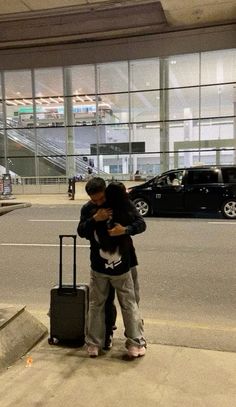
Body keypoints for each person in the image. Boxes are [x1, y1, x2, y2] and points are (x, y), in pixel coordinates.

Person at [77, 177, 146, 358]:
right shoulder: (88, 209)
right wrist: (94, 218)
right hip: (99, 265)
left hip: (126, 262)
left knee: (131, 302)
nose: (99, 202)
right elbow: (81, 231)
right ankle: (100, 340)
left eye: (101, 198)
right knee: (100, 304)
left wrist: (125, 230)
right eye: (94, 200)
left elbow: (141, 224)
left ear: (106, 192)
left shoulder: (121, 203)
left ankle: (136, 340)